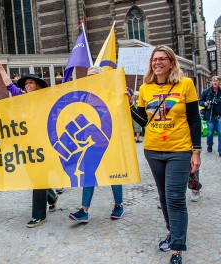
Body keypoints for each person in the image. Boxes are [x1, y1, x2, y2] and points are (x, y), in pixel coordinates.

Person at [129, 45, 201, 264]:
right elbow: (141, 122)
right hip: (152, 149)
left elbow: (194, 119)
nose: (157, 62)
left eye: (162, 59)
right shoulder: (146, 88)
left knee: (175, 198)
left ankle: (177, 248)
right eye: (154, 59)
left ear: (171, 62)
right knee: (163, 196)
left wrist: (195, 152)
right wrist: (128, 104)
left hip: (179, 149)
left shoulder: (186, 84)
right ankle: (173, 232)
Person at [0, 59, 58, 228]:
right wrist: (0, 68)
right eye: (27, 83)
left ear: (37, 85)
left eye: (31, 82)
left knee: (38, 178)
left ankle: (39, 215)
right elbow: (9, 85)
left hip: (43, 144)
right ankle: (51, 196)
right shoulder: (21, 97)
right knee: (34, 177)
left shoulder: (46, 99)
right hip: (27, 145)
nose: (28, 85)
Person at [68, 66, 124, 223]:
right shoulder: (85, 97)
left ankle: (118, 205)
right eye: (88, 76)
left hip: (109, 142)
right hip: (91, 144)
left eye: (93, 75)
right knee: (88, 176)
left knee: (114, 175)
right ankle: (84, 211)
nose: (90, 78)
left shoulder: (111, 94)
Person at [199, 76, 221, 155]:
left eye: (217, 81)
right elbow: (200, 101)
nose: (215, 82)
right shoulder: (206, 92)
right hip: (210, 116)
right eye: (213, 81)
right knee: (210, 133)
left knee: (220, 132)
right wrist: (204, 103)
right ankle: (209, 145)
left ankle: (220, 150)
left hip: (219, 115)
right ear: (211, 82)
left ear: (219, 82)